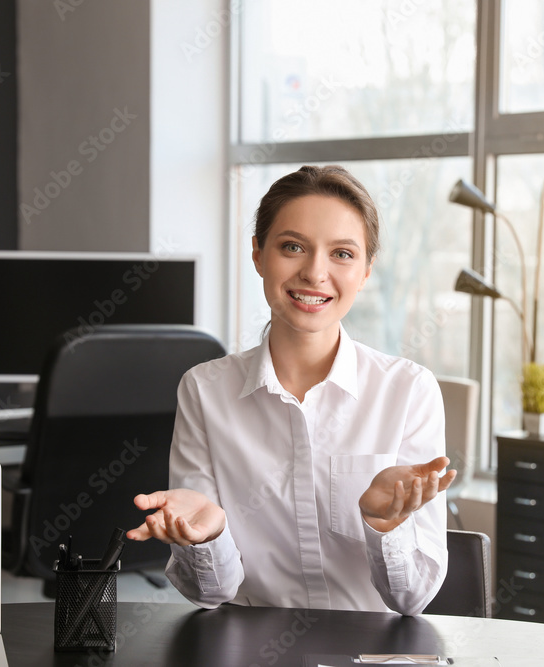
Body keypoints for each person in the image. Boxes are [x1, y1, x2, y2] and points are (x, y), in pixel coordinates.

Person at [127, 165, 455, 615]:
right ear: (259, 255)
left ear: (365, 271)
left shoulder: (408, 391)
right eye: (293, 247)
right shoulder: (204, 390)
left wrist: (384, 524)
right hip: (247, 651)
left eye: (342, 254)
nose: (315, 273)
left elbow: (412, 600)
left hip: (367, 653)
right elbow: (210, 593)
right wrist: (207, 537)